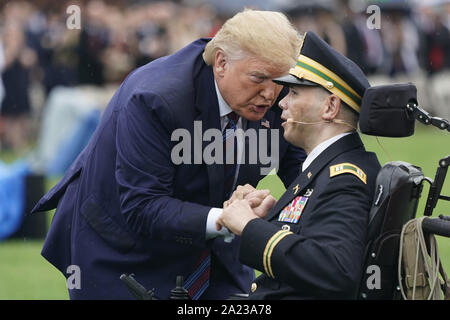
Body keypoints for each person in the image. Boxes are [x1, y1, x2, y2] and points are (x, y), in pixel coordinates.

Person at [31, 9, 306, 300]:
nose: (271, 94)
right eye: (259, 78)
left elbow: (304, 176)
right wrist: (226, 218)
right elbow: (142, 205)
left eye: (281, 80)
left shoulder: (279, 94)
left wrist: (295, 218)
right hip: (122, 250)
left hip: (215, 251)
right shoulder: (156, 98)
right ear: (221, 62)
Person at [217, 31, 382, 299]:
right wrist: (267, 219)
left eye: (293, 92)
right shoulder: (331, 165)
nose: (281, 102)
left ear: (330, 107)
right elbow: (312, 241)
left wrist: (250, 226)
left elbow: (335, 270)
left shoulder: (345, 176)